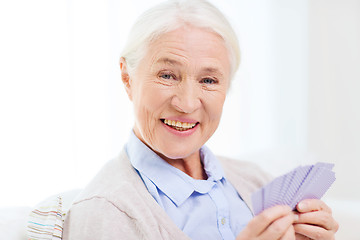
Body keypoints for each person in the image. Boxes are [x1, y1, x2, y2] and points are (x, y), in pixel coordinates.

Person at [63, 0, 338, 239]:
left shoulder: (256, 180)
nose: (186, 103)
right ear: (127, 78)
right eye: (167, 75)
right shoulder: (103, 211)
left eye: (208, 80)